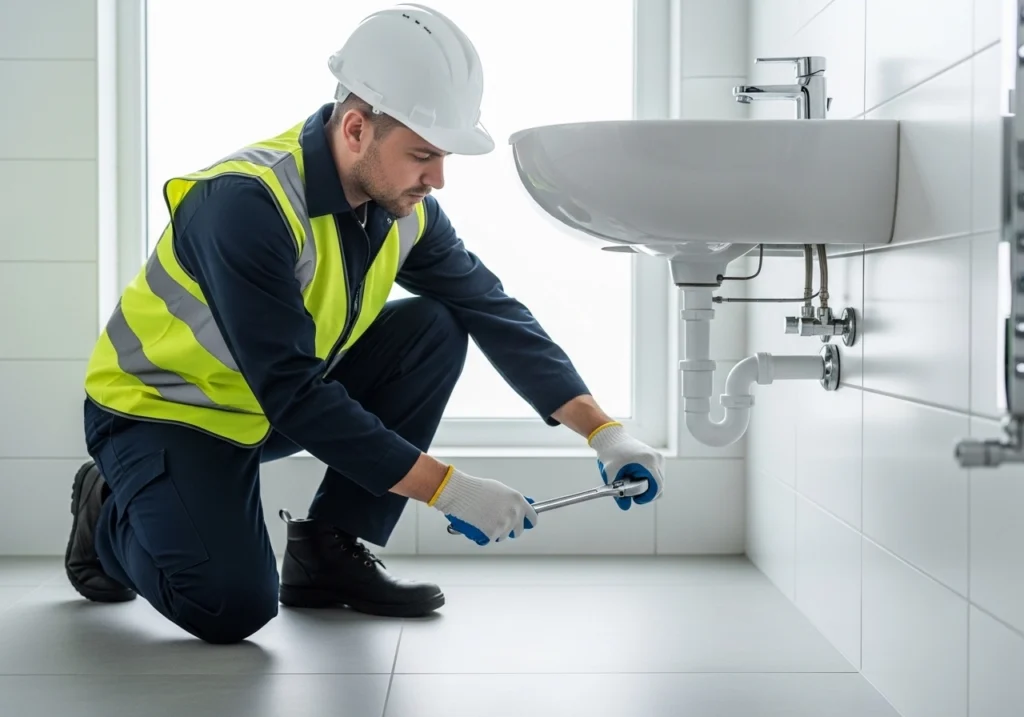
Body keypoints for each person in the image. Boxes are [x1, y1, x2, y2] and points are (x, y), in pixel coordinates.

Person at [64, 3, 665, 645]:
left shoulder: (402, 209)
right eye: (423, 154)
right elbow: (294, 391)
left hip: (263, 411)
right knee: (230, 607)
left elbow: (491, 309)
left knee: (436, 325)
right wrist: (450, 491)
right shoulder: (246, 206)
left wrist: (603, 433)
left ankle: (329, 552)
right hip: (165, 414)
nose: (437, 179)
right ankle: (106, 507)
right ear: (356, 128)